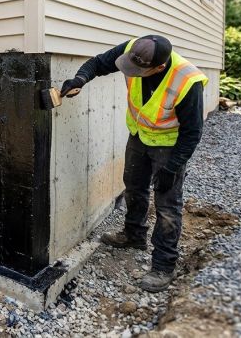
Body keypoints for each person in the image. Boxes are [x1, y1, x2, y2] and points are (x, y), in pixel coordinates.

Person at [60, 35, 208, 292]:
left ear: (159, 67)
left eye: (140, 71)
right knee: (133, 187)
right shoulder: (132, 50)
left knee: (167, 205)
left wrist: (172, 168)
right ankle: (134, 235)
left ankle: (164, 264)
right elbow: (97, 64)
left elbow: (193, 132)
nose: (132, 73)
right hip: (139, 136)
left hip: (168, 145)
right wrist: (80, 80)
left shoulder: (186, 81)